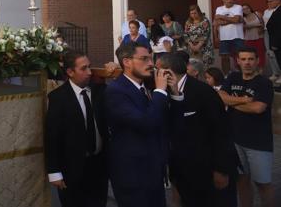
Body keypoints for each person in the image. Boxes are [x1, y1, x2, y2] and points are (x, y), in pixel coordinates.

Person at [105, 42, 180, 207]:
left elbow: (168, 120)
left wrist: (174, 92)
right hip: (132, 175)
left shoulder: (148, 86)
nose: (151, 64)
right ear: (127, 62)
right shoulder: (115, 91)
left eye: (151, 58)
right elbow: (146, 123)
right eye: (144, 59)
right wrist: (160, 91)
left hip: (154, 171)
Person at [160, 53, 238, 207]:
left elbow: (221, 130)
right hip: (184, 170)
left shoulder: (203, 92)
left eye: (157, 70)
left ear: (168, 72)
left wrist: (221, 169)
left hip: (207, 169)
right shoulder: (164, 91)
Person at [45, 51, 108, 207]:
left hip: (99, 165)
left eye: (90, 67)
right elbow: (52, 136)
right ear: (70, 72)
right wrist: (54, 172)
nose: (89, 72)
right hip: (72, 169)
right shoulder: (58, 97)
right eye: (83, 68)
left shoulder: (99, 90)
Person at [218, 47, 275, 207]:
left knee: (263, 184)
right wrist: (244, 100)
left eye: (250, 59)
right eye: (243, 59)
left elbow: (258, 108)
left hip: (258, 142)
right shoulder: (233, 76)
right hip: (235, 139)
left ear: (257, 61)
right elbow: (220, 96)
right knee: (241, 181)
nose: (247, 63)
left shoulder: (264, 83)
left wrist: (232, 102)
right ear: (238, 61)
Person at [214, 0, 244, 74]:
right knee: (224, 57)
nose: (229, 1)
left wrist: (222, 17)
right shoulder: (219, 9)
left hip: (237, 36)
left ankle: (242, 75)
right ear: (223, 0)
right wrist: (232, 20)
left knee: (240, 57)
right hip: (224, 37)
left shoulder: (238, 7)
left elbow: (237, 20)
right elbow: (217, 22)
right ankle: (226, 75)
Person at [264, 0, 281, 84]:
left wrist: (275, 43)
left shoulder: (279, 11)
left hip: (277, 41)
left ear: (278, 0)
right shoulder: (275, 10)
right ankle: (276, 73)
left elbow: (278, 29)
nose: (269, 3)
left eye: (271, 1)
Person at [242, 4, 265, 69]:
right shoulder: (243, 18)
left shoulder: (257, 14)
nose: (246, 10)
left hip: (259, 37)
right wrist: (256, 25)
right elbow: (244, 27)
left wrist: (261, 28)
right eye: (243, 9)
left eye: (247, 8)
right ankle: (252, 71)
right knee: (250, 56)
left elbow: (263, 23)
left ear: (250, 8)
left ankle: (260, 72)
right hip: (249, 39)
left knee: (261, 55)